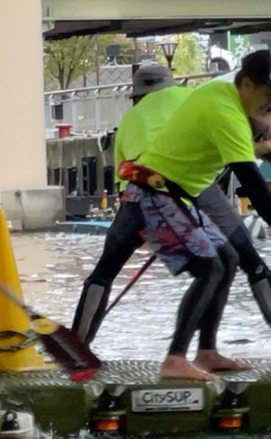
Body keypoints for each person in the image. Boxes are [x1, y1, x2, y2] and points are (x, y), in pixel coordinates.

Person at [120, 49, 271, 380]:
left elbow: (222, 143)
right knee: (210, 266)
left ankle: (206, 352)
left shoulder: (220, 94)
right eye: (269, 94)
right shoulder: (227, 113)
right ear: (248, 84)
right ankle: (175, 359)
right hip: (155, 193)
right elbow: (253, 185)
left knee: (227, 259)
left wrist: (255, 148)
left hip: (178, 194)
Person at [71, 65, 192, 343]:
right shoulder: (188, 99)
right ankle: (186, 352)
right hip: (168, 200)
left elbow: (124, 174)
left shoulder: (129, 120)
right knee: (213, 269)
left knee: (104, 273)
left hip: (133, 201)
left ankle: (79, 344)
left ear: (137, 96)